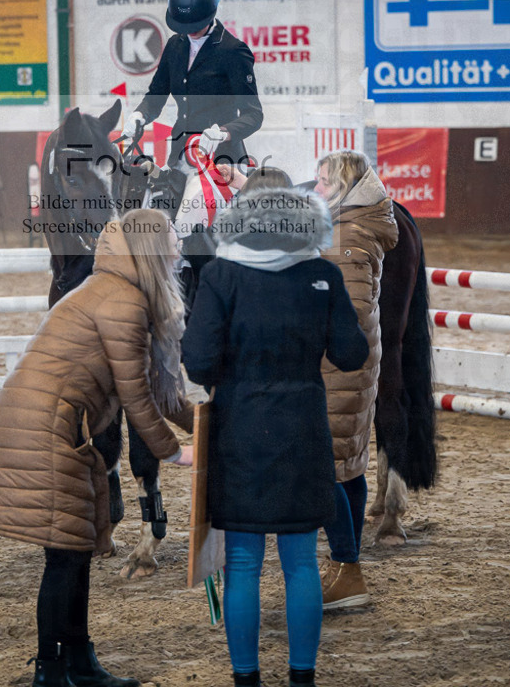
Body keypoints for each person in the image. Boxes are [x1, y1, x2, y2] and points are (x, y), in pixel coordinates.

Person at [0, 211, 193, 687]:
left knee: (74, 549)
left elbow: (159, 391)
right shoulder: (122, 301)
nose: (181, 245)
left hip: (49, 420)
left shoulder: (120, 291)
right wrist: (175, 452)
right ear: (153, 247)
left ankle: (78, 663)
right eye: (174, 238)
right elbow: (134, 395)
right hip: (44, 425)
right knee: (63, 555)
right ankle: (50, 673)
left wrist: (210, 424)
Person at [182, 176, 369, 687]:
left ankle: (246, 679)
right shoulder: (323, 274)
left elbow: (197, 363)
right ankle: (302, 679)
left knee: (242, 564)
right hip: (304, 428)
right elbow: (352, 355)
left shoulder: (220, 275)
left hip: (239, 429)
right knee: (301, 561)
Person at [313, 150, 399, 611]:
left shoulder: (344, 234)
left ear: (344, 185)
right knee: (349, 464)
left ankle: (347, 570)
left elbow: (353, 309)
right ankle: (347, 564)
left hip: (336, 368)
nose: (317, 189)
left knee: (328, 465)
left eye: (323, 181)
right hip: (353, 366)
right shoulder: (355, 226)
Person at [122, 0, 263, 171]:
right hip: (180, 157)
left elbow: (254, 115)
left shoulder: (233, 51)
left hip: (221, 161)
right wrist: (140, 115)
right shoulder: (174, 46)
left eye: (195, 26)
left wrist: (223, 132)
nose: (189, 32)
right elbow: (156, 96)